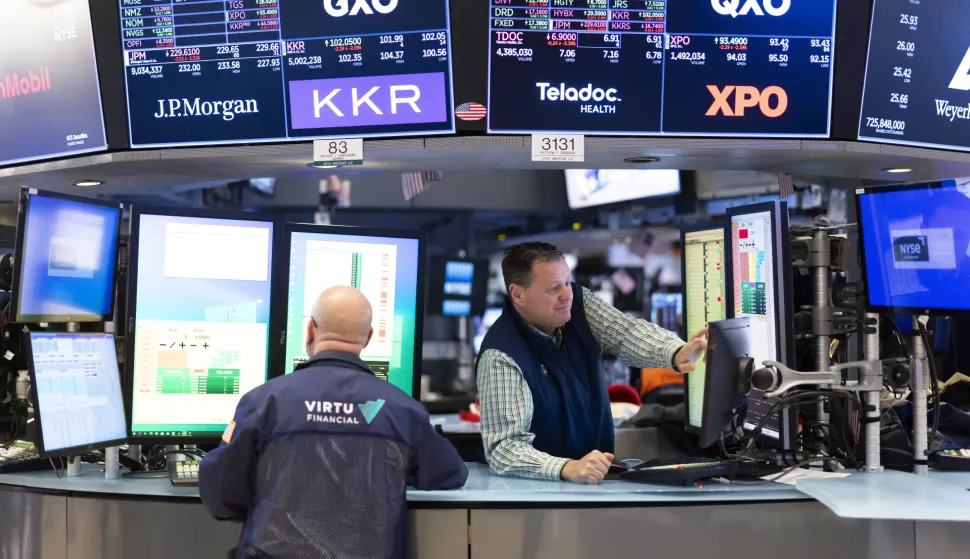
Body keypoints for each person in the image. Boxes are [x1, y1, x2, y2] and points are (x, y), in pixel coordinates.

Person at [200, 286, 468, 559]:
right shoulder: (403, 411)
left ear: (311, 330)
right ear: (368, 338)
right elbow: (449, 474)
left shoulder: (264, 402)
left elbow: (220, 494)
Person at [477, 243, 706, 484]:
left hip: (591, 483)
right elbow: (503, 448)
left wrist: (675, 351)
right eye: (554, 288)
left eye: (567, 282)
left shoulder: (578, 307)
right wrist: (566, 467)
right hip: (535, 496)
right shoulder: (501, 355)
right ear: (517, 294)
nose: (567, 295)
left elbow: (624, 332)